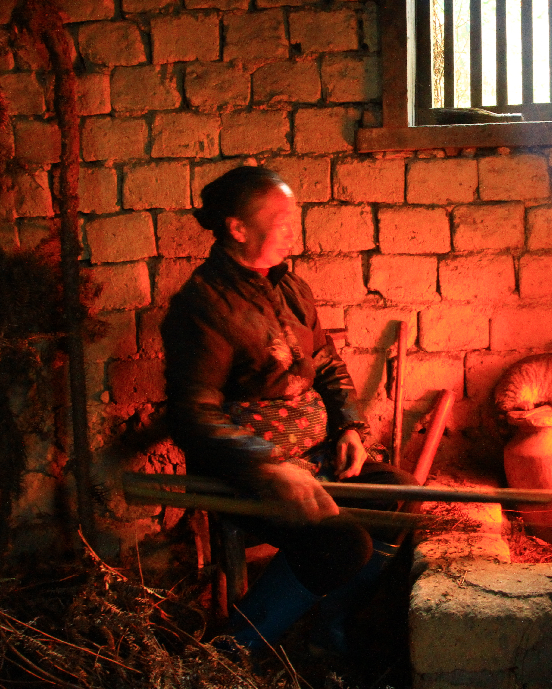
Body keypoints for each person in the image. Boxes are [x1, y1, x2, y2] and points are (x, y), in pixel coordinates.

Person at [161, 166, 411, 656]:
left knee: (397, 494)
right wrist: (269, 467)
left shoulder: (290, 288)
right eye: (282, 223)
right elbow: (192, 414)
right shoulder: (203, 306)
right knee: (341, 544)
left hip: (314, 459)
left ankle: (328, 629)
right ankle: (226, 655)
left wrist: (350, 427)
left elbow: (326, 362)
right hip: (242, 477)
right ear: (237, 229)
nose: (293, 234)